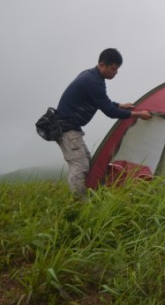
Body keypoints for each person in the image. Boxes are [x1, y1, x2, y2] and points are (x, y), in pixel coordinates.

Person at [54, 48, 151, 197]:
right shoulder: (93, 81)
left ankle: (90, 195)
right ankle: (78, 204)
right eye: (113, 69)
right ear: (101, 65)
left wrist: (118, 104)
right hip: (66, 128)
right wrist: (138, 114)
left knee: (87, 162)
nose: (116, 73)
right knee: (80, 166)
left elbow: (101, 100)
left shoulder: (92, 76)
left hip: (70, 127)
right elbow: (109, 112)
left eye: (117, 69)